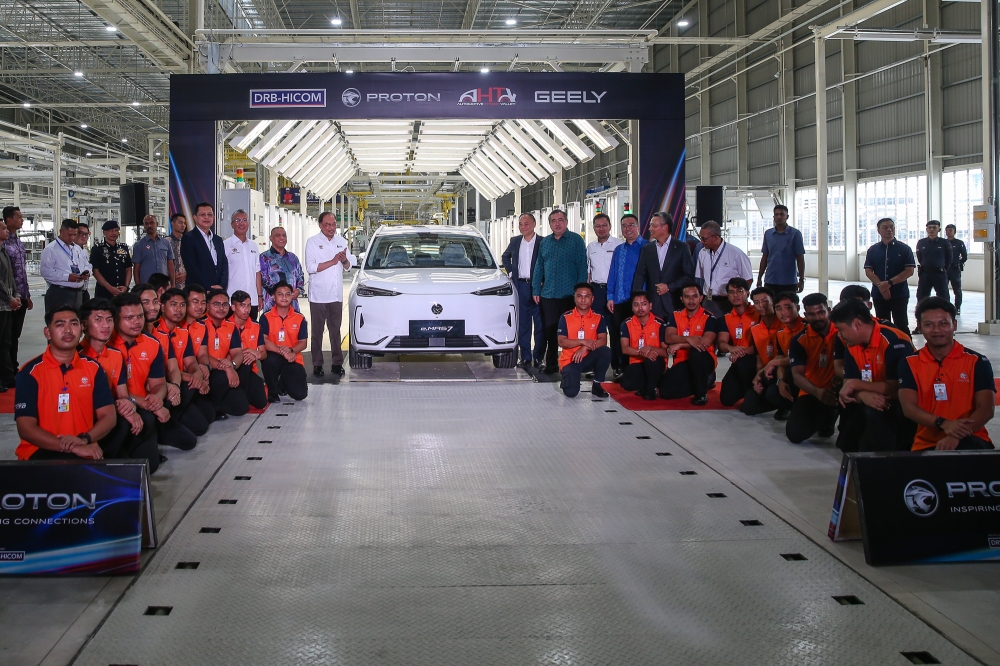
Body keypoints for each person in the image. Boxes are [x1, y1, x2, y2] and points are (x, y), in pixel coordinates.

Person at [14, 305, 115, 461]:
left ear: (82, 329)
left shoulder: (94, 368)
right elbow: (26, 428)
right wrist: (70, 447)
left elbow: (108, 415)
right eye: (60, 325)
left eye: (73, 324)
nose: (68, 330)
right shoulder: (30, 372)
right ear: (47, 332)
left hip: (84, 445)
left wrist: (85, 439)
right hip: (40, 451)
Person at [898, 297, 995, 451]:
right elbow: (909, 407)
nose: (936, 330)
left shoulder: (977, 361)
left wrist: (956, 435)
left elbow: (986, 409)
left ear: (954, 325)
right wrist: (942, 423)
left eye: (943, 323)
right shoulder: (909, 363)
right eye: (929, 324)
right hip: (926, 443)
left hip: (973, 438)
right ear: (919, 327)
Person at [79, 298, 159, 472]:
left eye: (109, 320)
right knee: (120, 423)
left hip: (111, 415)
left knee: (143, 422)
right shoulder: (77, 356)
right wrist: (120, 407)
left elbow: (123, 394)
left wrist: (129, 407)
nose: (105, 325)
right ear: (84, 325)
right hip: (86, 421)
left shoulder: (115, 355)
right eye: (98, 320)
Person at [110, 291, 196, 451]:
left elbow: (159, 383)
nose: (136, 322)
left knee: (189, 441)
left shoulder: (152, 343)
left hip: (147, 402)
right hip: (122, 406)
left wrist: (157, 398)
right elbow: (114, 393)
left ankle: (154, 434)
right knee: (146, 424)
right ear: (115, 319)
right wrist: (152, 406)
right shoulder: (107, 346)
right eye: (129, 318)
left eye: (140, 316)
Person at [831, 298, 916, 453]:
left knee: (875, 411)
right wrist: (862, 395)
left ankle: (890, 457)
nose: (840, 335)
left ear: (857, 324)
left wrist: (856, 385)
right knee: (847, 445)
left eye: (841, 329)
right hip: (869, 399)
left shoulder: (895, 341)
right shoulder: (852, 345)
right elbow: (848, 383)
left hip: (900, 405)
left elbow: (897, 389)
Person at [140, 284, 212, 433]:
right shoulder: (155, 331)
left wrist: (197, 374)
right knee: (188, 387)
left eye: (182, 305)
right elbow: (165, 372)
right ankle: (164, 425)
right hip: (156, 388)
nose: (178, 310)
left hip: (175, 383)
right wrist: (191, 378)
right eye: (173, 305)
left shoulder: (182, 332)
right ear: (162, 306)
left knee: (205, 422)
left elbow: (191, 361)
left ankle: (174, 418)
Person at [533, 209, 588, 374]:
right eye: (553, 221)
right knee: (550, 330)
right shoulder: (545, 242)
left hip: (570, 295)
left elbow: (582, 267)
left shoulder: (576, 240)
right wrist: (536, 289)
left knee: (570, 332)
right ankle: (551, 364)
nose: (557, 224)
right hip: (548, 295)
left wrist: (581, 293)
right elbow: (539, 268)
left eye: (560, 220)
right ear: (549, 224)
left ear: (566, 222)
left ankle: (571, 364)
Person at [305, 212, 355, 378]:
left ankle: (337, 363)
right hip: (318, 295)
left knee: (335, 331)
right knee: (317, 332)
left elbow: (348, 266)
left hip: (335, 295)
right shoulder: (312, 242)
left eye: (333, 224)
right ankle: (317, 364)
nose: (331, 228)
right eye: (327, 224)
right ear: (320, 225)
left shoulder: (341, 241)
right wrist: (333, 261)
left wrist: (344, 260)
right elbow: (311, 267)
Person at [785, 293, 840, 444]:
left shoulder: (842, 332)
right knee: (795, 434)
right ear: (805, 315)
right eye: (811, 314)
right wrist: (817, 392)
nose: (817, 318)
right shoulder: (799, 340)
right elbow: (797, 375)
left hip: (841, 388)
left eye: (821, 312)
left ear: (828, 311)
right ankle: (825, 417)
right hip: (813, 390)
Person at [744, 292, 804, 417]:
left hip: (805, 376)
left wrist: (773, 363)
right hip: (784, 372)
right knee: (749, 405)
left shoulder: (807, 328)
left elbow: (801, 359)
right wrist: (762, 376)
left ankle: (799, 408)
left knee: (785, 375)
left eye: (788, 307)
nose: (783, 312)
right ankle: (784, 403)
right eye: (779, 309)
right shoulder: (781, 333)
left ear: (797, 308)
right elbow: (780, 357)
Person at [661, 281, 718, 405]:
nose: (691, 300)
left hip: (704, 359)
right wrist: (688, 339)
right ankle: (704, 382)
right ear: (681, 299)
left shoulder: (709, 317)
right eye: (687, 297)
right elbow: (669, 338)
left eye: (694, 296)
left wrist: (680, 344)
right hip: (683, 360)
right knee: (665, 392)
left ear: (701, 298)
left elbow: (706, 341)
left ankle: (701, 394)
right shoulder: (675, 315)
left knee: (696, 352)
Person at [606, 213, 647, 378]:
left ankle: (638, 367)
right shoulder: (619, 249)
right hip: (620, 299)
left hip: (640, 302)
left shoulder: (647, 247)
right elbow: (612, 274)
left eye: (631, 225)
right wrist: (610, 296)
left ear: (638, 227)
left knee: (639, 334)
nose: (627, 228)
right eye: (624, 225)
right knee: (618, 334)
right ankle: (619, 367)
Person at [632, 212, 696, 318]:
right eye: (650, 225)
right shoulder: (647, 249)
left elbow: (689, 276)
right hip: (653, 305)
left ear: (665, 227)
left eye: (653, 225)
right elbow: (640, 275)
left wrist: (669, 287)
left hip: (674, 303)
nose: (650, 228)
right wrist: (636, 298)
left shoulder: (682, 248)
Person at [555, 282, 611, 399]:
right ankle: (571, 376)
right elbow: (561, 342)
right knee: (571, 393)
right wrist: (582, 342)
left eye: (587, 296)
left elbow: (603, 340)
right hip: (570, 360)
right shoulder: (565, 317)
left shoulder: (598, 317)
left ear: (592, 298)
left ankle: (597, 385)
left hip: (588, 358)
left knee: (605, 351)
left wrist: (585, 347)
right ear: (574, 298)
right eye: (580, 296)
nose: (583, 300)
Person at [502, 213, 543, 368]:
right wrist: (511, 272)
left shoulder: (542, 242)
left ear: (534, 224)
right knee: (523, 324)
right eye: (520, 224)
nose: (523, 227)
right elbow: (505, 257)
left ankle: (539, 357)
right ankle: (525, 357)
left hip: (538, 287)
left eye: (526, 223)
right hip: (521, 286)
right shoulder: (515, 241)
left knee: (539, 324)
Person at [203, 288, 250, 417]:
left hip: (224, 369)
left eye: (224, 305)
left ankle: (221, 399)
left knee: (241, 408)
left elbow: (238, 353)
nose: (221, 308)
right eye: (216, 304)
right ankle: (214, 408)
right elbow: (200, 355)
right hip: (207, 370)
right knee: (220, 377)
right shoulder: (201, 325)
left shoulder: (231, 326)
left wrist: (232, 365)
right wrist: (226, 368)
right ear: (207, 306)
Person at [863, 217, 915, 333]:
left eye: (892, 227)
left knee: (901, 324)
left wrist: (889, 283)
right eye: (885, 227)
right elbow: (868, 271)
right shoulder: (873, 250)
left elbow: (909, 271)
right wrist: (881, 286)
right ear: (878, 231)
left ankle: (906, 344)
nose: (889, 229)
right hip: (879, 294)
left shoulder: (904, 249)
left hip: (899, 293)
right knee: (883, 325)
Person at [260, 281, 308, 402]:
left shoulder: (300, 318)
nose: (284, 297)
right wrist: (282, 352)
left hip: (293, 358)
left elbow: (303, 343)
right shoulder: (265, 317)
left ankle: (282, 383)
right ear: (273, 296)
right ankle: (272, 391)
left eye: (287, 294)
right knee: (269, 360)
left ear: (292, 296)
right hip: (273, 355)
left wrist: (291, 351)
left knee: (300, 394)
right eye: (280, 294)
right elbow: (263, 340)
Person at [695, 220, 753, 315]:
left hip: (728, 302)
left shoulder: (736, 254)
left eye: (704, 239)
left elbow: (748, 279)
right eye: (700, 238)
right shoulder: (702, 253)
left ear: (715, 237)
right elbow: (700, 278)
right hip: (708, 301)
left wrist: (739, 299)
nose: (701, 242)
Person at [717, 278, 759, 406]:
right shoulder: (726, 318)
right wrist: (731, 348)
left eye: (739, 291)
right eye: (731, 292)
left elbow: (764, 344)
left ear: (747, 293)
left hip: (757, 359)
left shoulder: (758, 314)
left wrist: (741, 352)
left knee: (743, 362)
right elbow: (722, 344)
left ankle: (752, 394)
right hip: (739, 360)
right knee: (726, 399)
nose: (735, 295)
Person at [619, 292, 667, 401]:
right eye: (636, 305)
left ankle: (651, 389)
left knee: (651, 360)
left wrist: (651, 349)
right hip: (637, 362)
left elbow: (666, 352)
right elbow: (625, 349)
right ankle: (647, 384)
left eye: (644, 304)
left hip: (655, 362)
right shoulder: (626, 324)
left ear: (650, 306)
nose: (640, 308)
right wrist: (643, 352)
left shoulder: (660, 324)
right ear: (632, 308)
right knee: (627, 384)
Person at [2, 206, 32, 374]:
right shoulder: (4, 244)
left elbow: (22, 272)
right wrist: (11, 296)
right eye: (19, 217)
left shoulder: (18, 243)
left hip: (21, 296)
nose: (22, 220)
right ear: (9, 220)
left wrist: (26, 295)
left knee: (15, 335)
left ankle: (13, 366)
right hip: (8, 298)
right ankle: (7, 370)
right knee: (6, 338)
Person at [230, 290, 268, 408]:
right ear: (233, 307)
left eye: (249, 305)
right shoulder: (225, 325)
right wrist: (244, 353)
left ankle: (242, 395)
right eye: (242, 305)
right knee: (244, 359)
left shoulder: (256, 326)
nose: (246, 309)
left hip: (249, 371)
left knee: (261, 402)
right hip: (231, 368)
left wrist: (256, 354)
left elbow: (264, 353)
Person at [40, 219, 89, 312]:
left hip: (78, 293)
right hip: (60, 293)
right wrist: (67, 277)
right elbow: (45, 272)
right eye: (69, 235)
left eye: (74, 235)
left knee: (76, 319)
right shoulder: (51, 249)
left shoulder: (76, 248)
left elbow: (87, 265)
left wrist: (86, 273)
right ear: (61, 231)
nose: (72, 238)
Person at [758, 204, 805, 295]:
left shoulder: (795, 234)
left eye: (782, 214)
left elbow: (800, 258)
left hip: (789, 281)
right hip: (771, 280)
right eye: (776, 214)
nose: (779, 217)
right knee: (770, 303)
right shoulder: (768, 234)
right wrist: (759, 277)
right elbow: (765, 257)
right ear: (774, 217)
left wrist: (801, 280)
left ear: (787, 216)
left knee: (788, 303)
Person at [180, 202, 228, 291]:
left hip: (218, 289)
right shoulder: (188, 238)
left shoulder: (218, 240)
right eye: (202, 214)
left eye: (210, 215)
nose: (206, 217)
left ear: (213, 217)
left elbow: (224, 264)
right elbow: (191, 267)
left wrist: (222, 285)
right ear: (195, 218)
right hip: (198, 290)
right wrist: (209, 287)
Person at [224, 209, 262, 319]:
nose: (241, 223)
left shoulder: (253, 245)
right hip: (233, 299)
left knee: (251, 328)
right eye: (237, 220)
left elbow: (257, 272)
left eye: (244, 220)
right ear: (232, 224)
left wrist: (259, 296)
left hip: (252, 300)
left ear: (248, 223)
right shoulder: (225, 245)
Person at [259, 226, 305, 315]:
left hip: (292, 304)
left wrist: (298, 290)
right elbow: (262, 279)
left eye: (284, 235)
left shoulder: (293, 258)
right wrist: (280, 294)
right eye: (278, 235)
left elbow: (300, 275)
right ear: (271, 238)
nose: (282, 238)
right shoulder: (264, 257)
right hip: (272, 304)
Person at [586, 213, 622, 323]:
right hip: (597, 290)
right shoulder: (590, 247)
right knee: (596, 323)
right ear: (594, 228)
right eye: (598, 226)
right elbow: (589, 271)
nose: (601, 229)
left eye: (604, 225)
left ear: (610, 226)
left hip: (615, 289)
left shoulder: (619, 245)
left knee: (614, 323)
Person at [0, 218, 22, 392]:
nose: (6, 230)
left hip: (7, 305)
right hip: (2, 304)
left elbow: (11, 278)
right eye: (3, 228)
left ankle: (7, 376)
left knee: (6, 342)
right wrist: (9, 298)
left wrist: (16, 295)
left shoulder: (4, 251)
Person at [914, 220, 953, 319]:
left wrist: (940, 268)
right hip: (925, 274)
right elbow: (920, 257)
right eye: (929, 228)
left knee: (943, 298)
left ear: (939, 229)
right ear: (926, 229)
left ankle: (945, 320)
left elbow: (949, 259)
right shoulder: (921, 243)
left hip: (939, 274)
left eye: (934, 228)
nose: (932, 230)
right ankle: (921, 321)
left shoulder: (945, 243)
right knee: (921, 298)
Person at [89, 220, 132, 300]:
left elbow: (128, 269)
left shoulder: (123, 248)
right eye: (111, 231)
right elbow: (95, 271)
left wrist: (126, 287)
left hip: (122, 292)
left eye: (116, 230)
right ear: (104, 232)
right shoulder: (97, 249)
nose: (114, 233)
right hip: (104, 292)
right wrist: (109, 288)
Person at [132, 214, 175, 285]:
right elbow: (136, 270)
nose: (149, 226)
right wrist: (138, 287)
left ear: (157, 224)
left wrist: (173, 285)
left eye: (152, 223)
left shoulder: (166, 243)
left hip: (163, 284)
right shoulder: (138, 245)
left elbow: (171, 266)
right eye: (146, 224)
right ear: (144, 226)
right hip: (147, 285)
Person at [945, 224, 968, 315]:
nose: (948, 232)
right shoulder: (943, 242)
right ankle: (945, 307)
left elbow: (964, 256)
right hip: (944, 269)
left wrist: (959, 263)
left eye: (950, 230)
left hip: (954, 269)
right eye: (947, 230)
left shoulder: (959, 243)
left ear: (954, 232)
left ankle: (957, 307)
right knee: (943, 289)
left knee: (957, 290)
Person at [74, 221, 93, 302]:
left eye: (86, 234)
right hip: (73, 291)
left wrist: (88, 272)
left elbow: (89, 266)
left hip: (84, 290)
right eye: (81, 233)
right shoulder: (70, 250)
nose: (84, 236)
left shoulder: (84, 251)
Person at [169, 213, 187, 288]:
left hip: (186, 281)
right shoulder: (166, 242)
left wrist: (186, 274)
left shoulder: (188, 241)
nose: (183, 225)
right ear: (172, 224)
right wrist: (172, 274)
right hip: (170, 282)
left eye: (184, 223)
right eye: (180, 222)